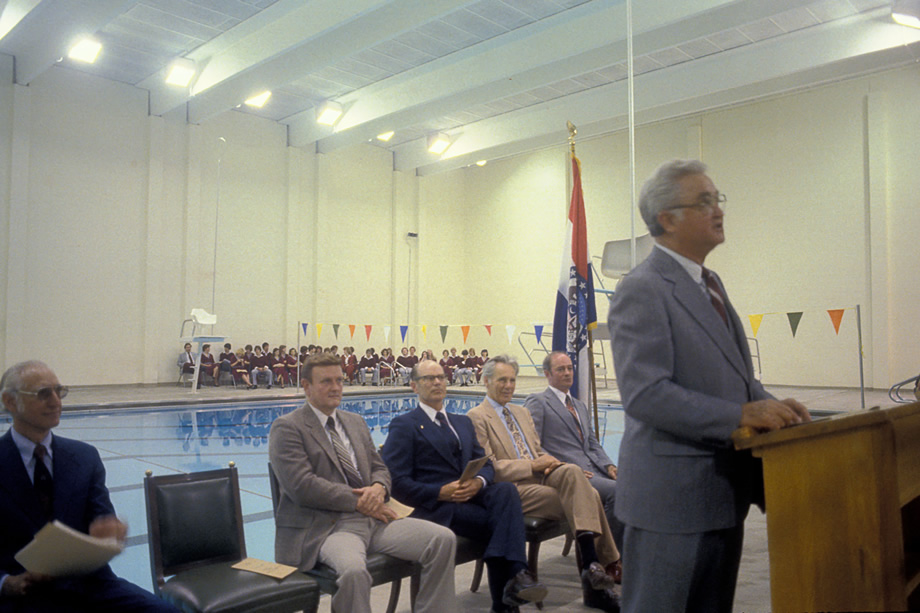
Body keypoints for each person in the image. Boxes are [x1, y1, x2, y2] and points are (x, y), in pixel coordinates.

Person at [608, 159, 810, 613]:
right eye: (704, 202)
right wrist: (740, 415)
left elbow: (740, 379)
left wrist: (778, 408)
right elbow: (645, 394)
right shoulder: (643, 288)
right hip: (671, 503)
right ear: (667, 218)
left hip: (722, 494)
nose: (718, 210)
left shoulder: (709, 283)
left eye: (717, 199)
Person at [268, 354, 457, 613]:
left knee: (442, 540)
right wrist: (360, 501)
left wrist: (379, 488)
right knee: (354, 571)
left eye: (339, 380)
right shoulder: (287, 428)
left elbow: (379, 467)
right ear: (306, 386)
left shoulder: (354, 422)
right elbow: (302, 486)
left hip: (375, 519)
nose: (335, 387)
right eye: (325, 381)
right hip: (328, 527)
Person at [0, 360, 180, 612]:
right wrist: (5, 582)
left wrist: (109, 532)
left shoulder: (84, 457)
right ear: (10, 401)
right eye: (43, 393)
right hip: (23, 593)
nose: (56, 401)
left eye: (59, 391)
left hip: (90, 584)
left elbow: (102, 517)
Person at [381, 360, 547, 613]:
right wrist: (439, 492)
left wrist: (478, 482)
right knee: (502, 523)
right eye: (429, 378)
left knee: (505, 491)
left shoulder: (462, 422)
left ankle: (512, 587)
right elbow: (396, 483)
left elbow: (487, 465)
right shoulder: (405, 425)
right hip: (438, 507)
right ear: (414, 386)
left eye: (441, 377)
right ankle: (513, 584)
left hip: (471, 497)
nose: (437, 382)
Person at [469, 355, 621, 612]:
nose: (508, 385)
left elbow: (537, 452)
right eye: (502, 380)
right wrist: (532, 466)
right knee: (591, 496)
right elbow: (491, 467)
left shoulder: (522, 412)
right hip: (515, 488)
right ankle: (597, 566)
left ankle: (593, 568)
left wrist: (554, 464)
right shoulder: (477, 417)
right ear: (486, 381)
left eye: (512, 380)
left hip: (542, 477)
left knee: (573, 472)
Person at [524, 352, 624, 557]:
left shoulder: (579, 405)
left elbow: (592, 443)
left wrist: (609, 466)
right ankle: (611, 559)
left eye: (570, 368)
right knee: (618, 492)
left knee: (633, 485)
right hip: (570, 475)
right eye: (561, 369)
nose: (568, 373)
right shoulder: (538, 402)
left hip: (595, 469)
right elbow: (533, 445)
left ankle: (625, 551)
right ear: (547, 374)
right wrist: (562, 467)